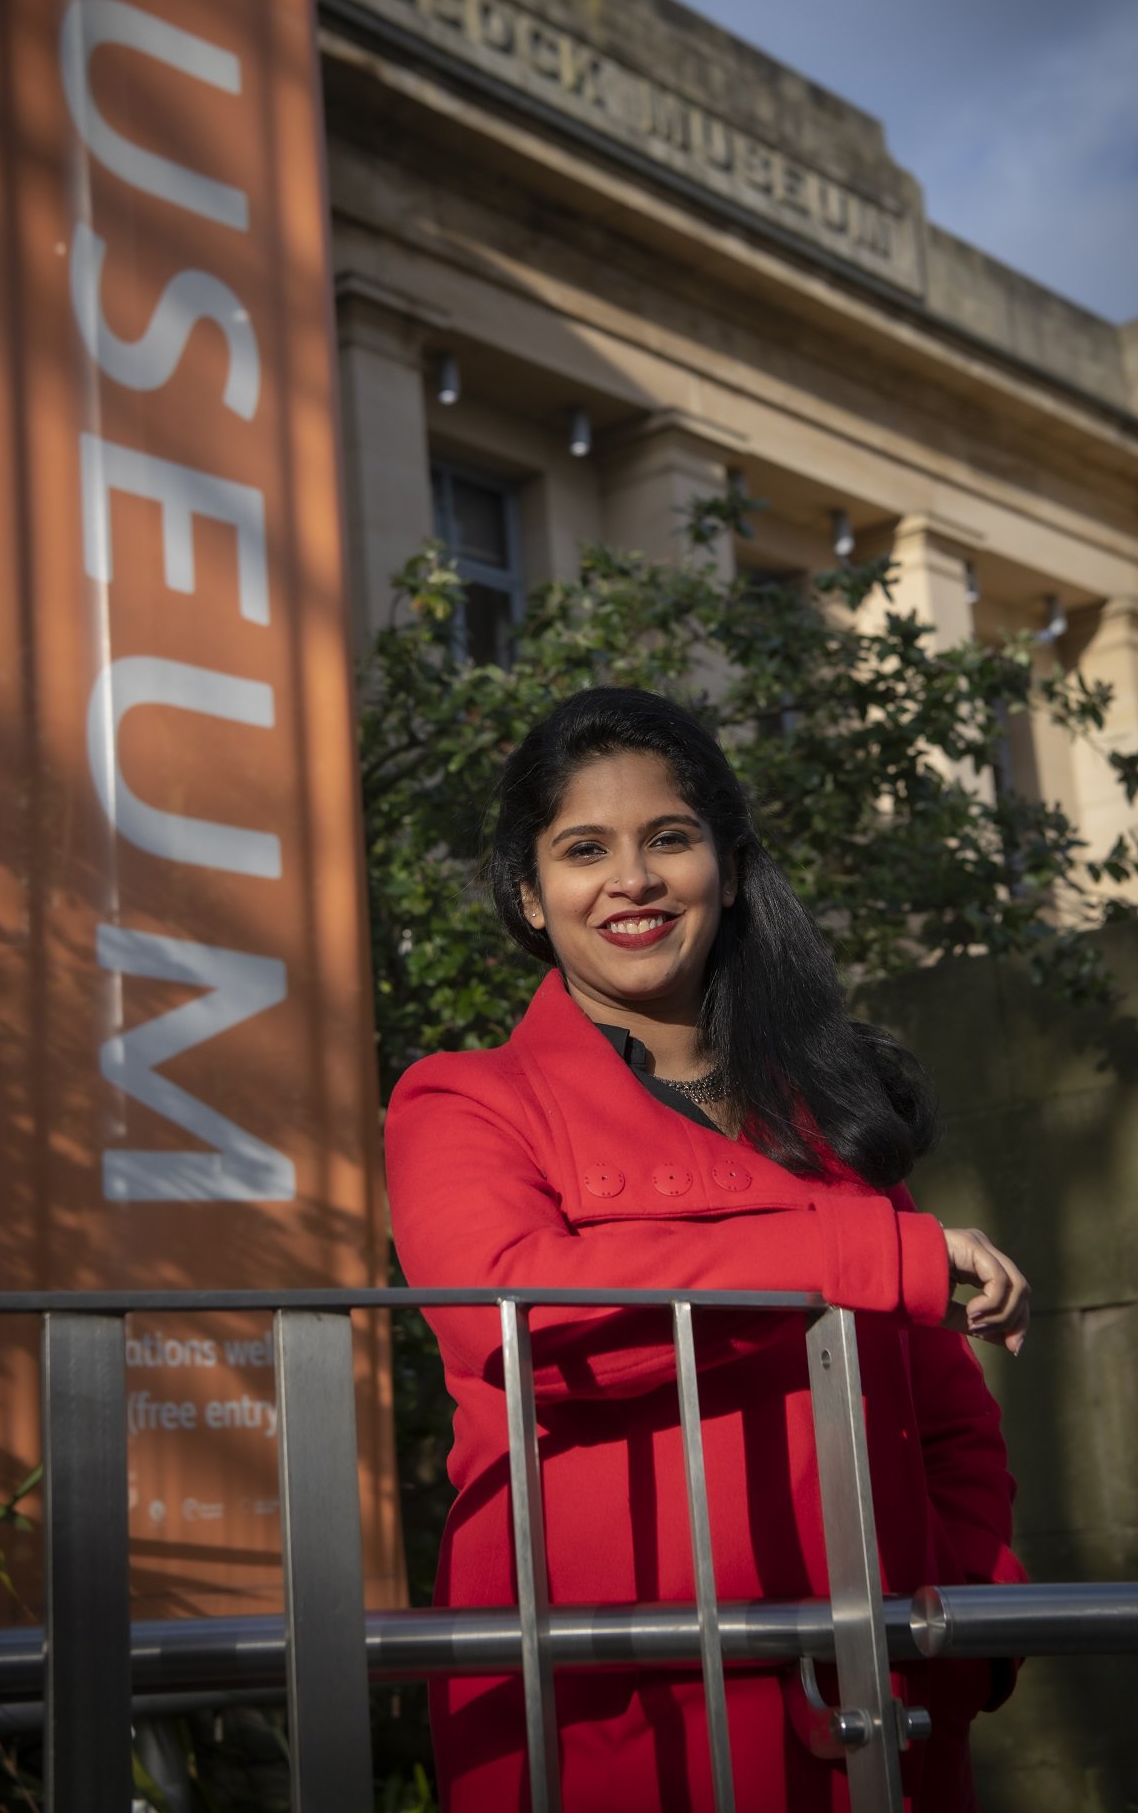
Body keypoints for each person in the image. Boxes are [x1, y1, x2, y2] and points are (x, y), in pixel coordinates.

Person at [385, 686, 1030, 1813]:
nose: (630, 879)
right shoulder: (463, 1098)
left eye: (667, 839)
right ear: (531, 897)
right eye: (584, 848)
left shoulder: (833, 1123)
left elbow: (950, 1426)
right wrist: (860, 1254)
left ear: (727, 871)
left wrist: (966, 1625)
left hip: (875, 1708)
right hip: (606, 1712)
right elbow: (515, 1319)